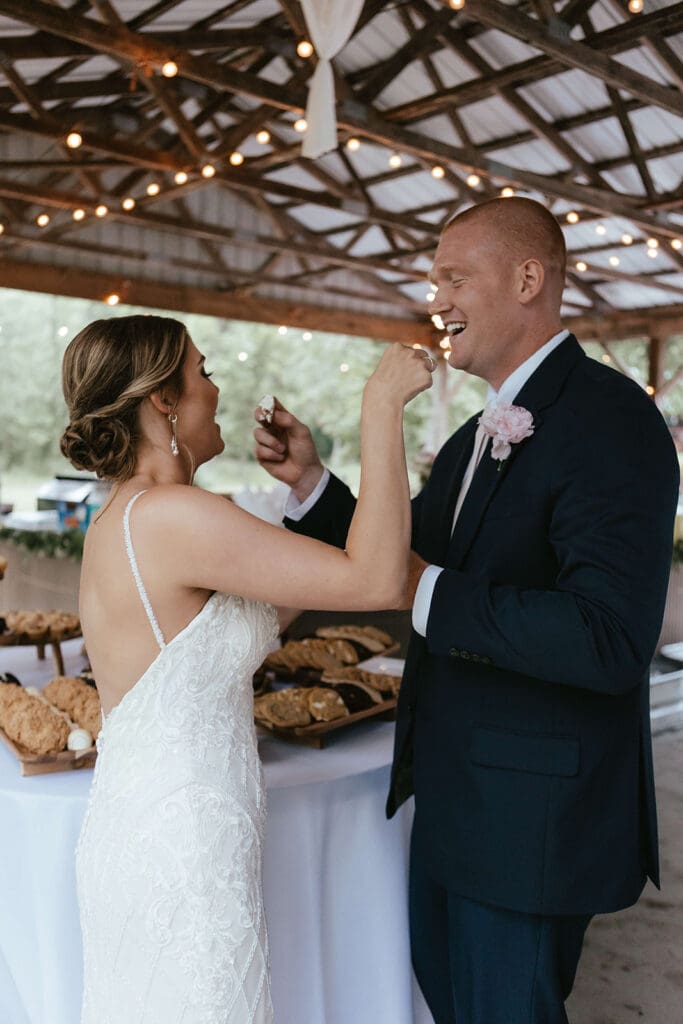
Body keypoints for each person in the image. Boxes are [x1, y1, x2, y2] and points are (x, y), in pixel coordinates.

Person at [253, 197, 680, 1024]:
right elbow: (404, 550)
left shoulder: (610, 420)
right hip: (453, 799)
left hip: (532, 818)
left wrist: (427, 591)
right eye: (432, 280)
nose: (435, 300)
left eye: (454, 277)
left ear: (528, 278)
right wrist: (311, 484)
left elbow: (607, 641)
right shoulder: (472, 436)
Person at [60, 313, 434, 1024]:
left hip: (156, 827)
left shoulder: (136, 515)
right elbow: (378, 581)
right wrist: (379, 410)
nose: (216, 389)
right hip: (182, 849)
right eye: (203, 372)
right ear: (162, 401)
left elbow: (281, 595)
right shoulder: (174, 516)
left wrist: (306, 482)